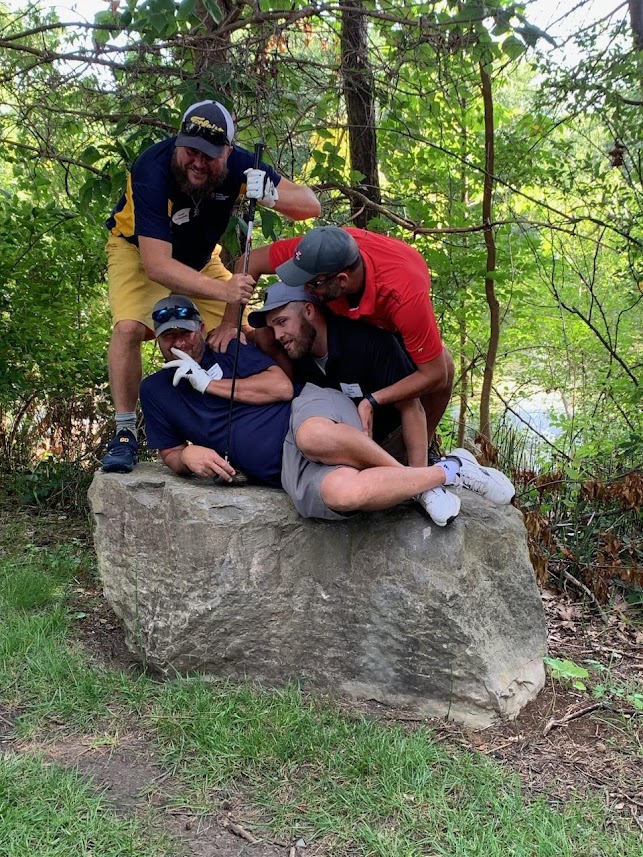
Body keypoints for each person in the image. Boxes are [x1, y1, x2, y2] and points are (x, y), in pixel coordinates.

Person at [138, 295, 515, 527]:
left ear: (201, 328)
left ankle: (420, 482)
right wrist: (186, 457)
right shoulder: (154, 391)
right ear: (156, 339)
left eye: (186, 331)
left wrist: (207, 384)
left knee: (313, 436)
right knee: (343, 495)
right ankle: (448, 472)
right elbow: (170, 452)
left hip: (307, 411)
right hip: (286, 473)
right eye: (169, 335)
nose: (179, 341)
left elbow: (280, 387)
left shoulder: (227, 350)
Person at [101, 99, 321, 473]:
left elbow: (310, 205)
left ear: (228, 152)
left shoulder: (243, 164)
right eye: (191, 150)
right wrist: (224, 293)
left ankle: (291, 406)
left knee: (245, 334)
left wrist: (271, 194)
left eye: (209, 155)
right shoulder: (152, 168)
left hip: (201, 259)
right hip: (138, 252)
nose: (198, 162)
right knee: (128, 329)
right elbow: (158, 266)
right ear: (178, 141)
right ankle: (124, 432)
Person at [236, 225, 453, 465]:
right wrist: (230, 325)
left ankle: (426, 453)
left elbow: (435, 375)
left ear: (341, 280)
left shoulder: (403, 297)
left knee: (442, 361)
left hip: (390, 317)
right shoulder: (322, 248)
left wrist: (374, 400)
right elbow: (250, 260)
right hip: (333, 395)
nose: (305, 288)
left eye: (311, 284)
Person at [247, 282, 428, 466]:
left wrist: (419, 474)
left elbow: (412, 407)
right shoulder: (298, 357)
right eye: (273, 328)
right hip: (343, 456)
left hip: (393, 443)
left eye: (282, 322)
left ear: (308, 311)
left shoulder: (367, 341)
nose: (278, 335)